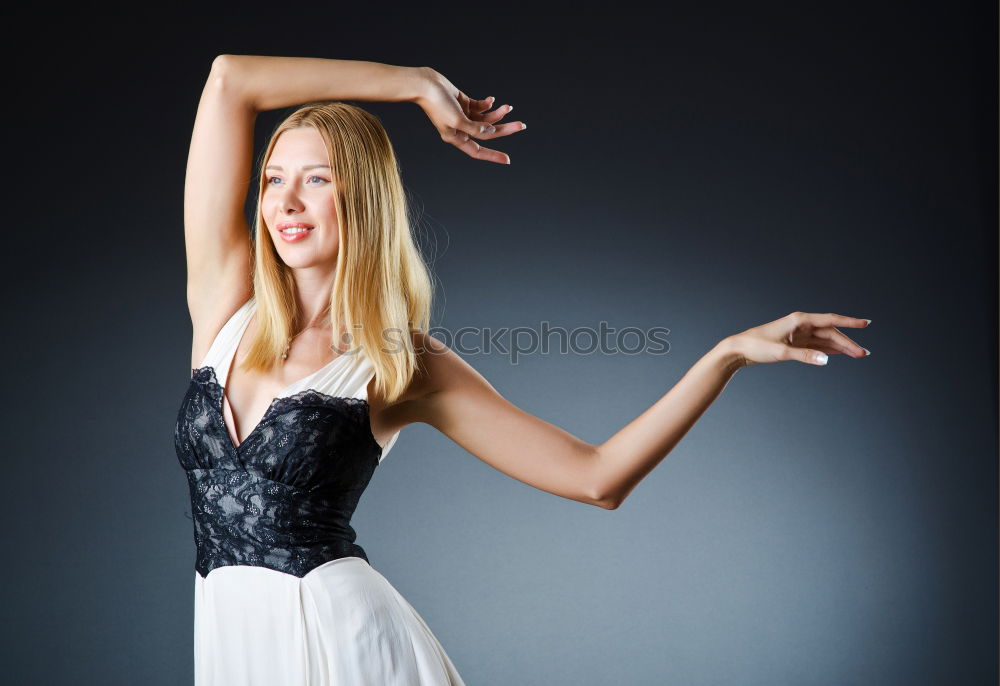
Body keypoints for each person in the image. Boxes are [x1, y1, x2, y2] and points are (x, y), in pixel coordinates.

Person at [174, 54, 871, 686]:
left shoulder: (400, 362)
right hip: (233, 644)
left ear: (361, 198)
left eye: (316, 179)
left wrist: (724, 357)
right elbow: (230, 80)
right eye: (273, 180)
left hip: (344, 645)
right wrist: (414, 84)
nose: (285, 202)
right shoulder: (224, 302)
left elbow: (597, 478)